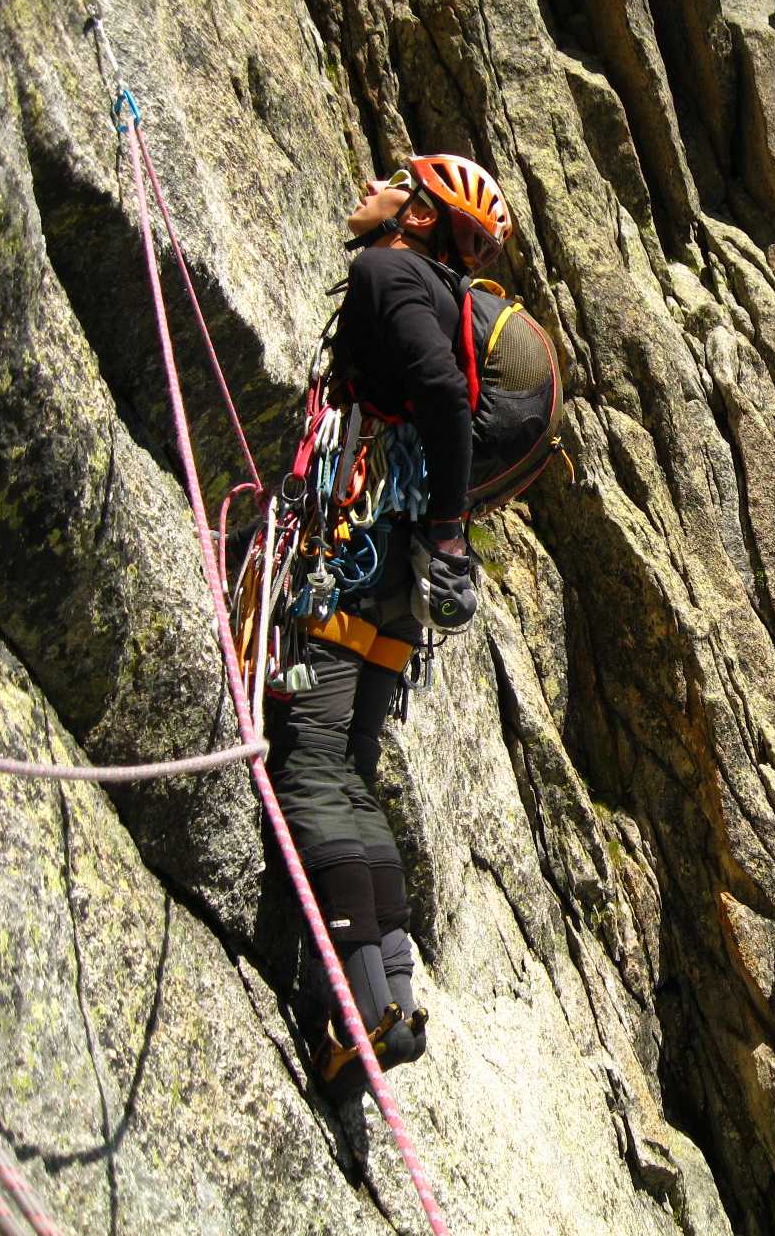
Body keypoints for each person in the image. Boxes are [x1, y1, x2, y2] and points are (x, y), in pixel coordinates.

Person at [266, 152, 513, 1095]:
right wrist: (441, 538)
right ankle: (394, 995)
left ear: (414, 214)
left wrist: (447, 532)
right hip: (394, 579)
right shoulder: (436, 291)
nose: (365, 186)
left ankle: (365, 1005)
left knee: (313, 762)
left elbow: (443, 400)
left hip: (355, 554)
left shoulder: (385, 270)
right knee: (351, 770)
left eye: (388, 180)